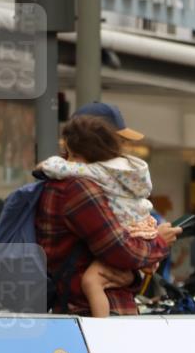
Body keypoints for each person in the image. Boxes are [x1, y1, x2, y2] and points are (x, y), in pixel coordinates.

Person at [36, 111, 179, 316]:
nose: (119, 151)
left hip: (96, 307)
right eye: (118, 141)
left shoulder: (89, 183)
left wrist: (132, 276)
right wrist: (159, 243)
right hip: (90, 313)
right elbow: (121, 250)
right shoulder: (78, 187)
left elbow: (123, 262)